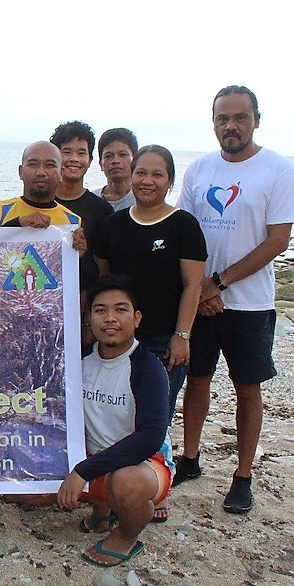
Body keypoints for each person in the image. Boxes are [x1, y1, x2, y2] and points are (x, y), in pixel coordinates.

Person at [174, 85, 294, 514]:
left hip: (249, 303)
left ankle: (243, 475)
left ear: (256, 119)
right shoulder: (199, 170)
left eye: (240, 117)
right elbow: (185, 232)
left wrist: (221, 282)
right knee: (197, 380)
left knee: (247, 389)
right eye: (222, 118)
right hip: (200, 298)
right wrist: (202, 288)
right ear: (213, 122)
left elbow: (278, 240)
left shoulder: (277, 169)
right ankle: (190, 459)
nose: (231, 126)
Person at [94, 144, 207, 522]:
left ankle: (154, 488)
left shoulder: (184, 225)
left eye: (158, 175)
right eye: (142, 172)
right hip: (117, 335)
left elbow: (193, 285)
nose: (148, 181)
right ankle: (115, 481)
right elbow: (103, 277)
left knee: (155, 418)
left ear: (170, 181)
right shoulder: (114, 224)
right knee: (115, 410)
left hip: (162, 338)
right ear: (132, 174)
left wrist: (183, 335)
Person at [59, 274, 172, 567]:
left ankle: (126, 534)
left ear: (136, 318)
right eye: (100, 310)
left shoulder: (149, 369)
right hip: (92, 463)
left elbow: (149, 438)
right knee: (22, 493)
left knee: (125, 483)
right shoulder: (78, 359)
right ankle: (102, 508)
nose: (110, 319)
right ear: (89, 317)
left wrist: (83, 471)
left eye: (120, 310)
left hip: (143, 465)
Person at [0, 141, 84, 242]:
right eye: (33, 164)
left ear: (61, 174)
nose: (41, 172)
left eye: (50, 165)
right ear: (21, 172)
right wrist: (18, 224)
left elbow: (79, 262)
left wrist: (77, 255)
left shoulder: (73, 222)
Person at [51, 121, 114, 294]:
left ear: (90, 159)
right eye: (67, 152)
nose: (74, 159)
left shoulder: (102, 210)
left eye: (81, 153)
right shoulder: (40, 204)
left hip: (86, 300)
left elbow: (104, 267)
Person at [98, 128, 138, 211]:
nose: (115, 161)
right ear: (100, 164)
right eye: (108, 156)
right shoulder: (91, 201)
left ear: (135, 161)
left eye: (123, 154)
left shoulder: (144, 201)